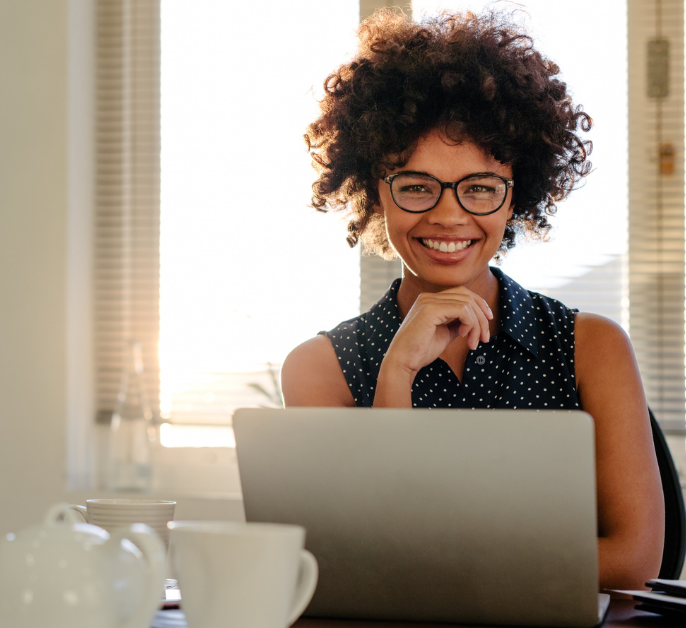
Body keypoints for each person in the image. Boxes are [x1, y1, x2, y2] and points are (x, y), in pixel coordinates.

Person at [281, 9, 664, 591]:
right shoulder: (319, 368)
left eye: (480, 188)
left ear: (517, 197)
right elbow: (355, 553)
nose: (448, 214)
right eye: (416, 185)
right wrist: (397, 375)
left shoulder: (593, 348)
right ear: (375, 194)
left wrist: (443, 565)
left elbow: (634, 560)